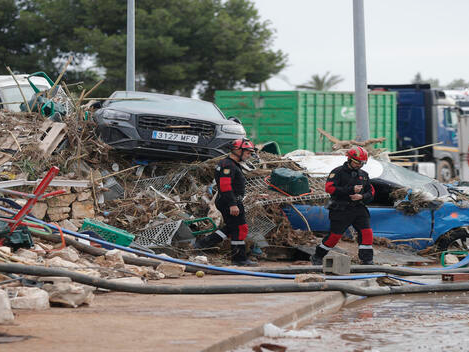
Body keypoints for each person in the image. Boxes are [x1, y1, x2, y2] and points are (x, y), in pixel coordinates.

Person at [194, 138, 258, 266]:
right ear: (237, 150)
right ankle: (239, 259)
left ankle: (202, 244)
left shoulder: (230, 164)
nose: (249, 155)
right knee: (240, 228)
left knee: (231, 227)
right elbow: (225, 186)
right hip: (230, 201)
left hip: (229, 200)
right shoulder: (228, 165)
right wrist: (233, 204)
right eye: (247, 152)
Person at [311, 146, 375, 265]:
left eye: (362, 163)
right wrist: (350, 190)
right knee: (334, 236)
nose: (359, 166)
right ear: (349, 159)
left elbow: (371, 192)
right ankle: (318, 256)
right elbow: (329, 188)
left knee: (367, 233)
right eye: (357, 163)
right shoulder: (338, 172)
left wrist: (362, 197)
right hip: (341, 209)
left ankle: (367, 260)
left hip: (359, 208)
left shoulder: (364, 175)